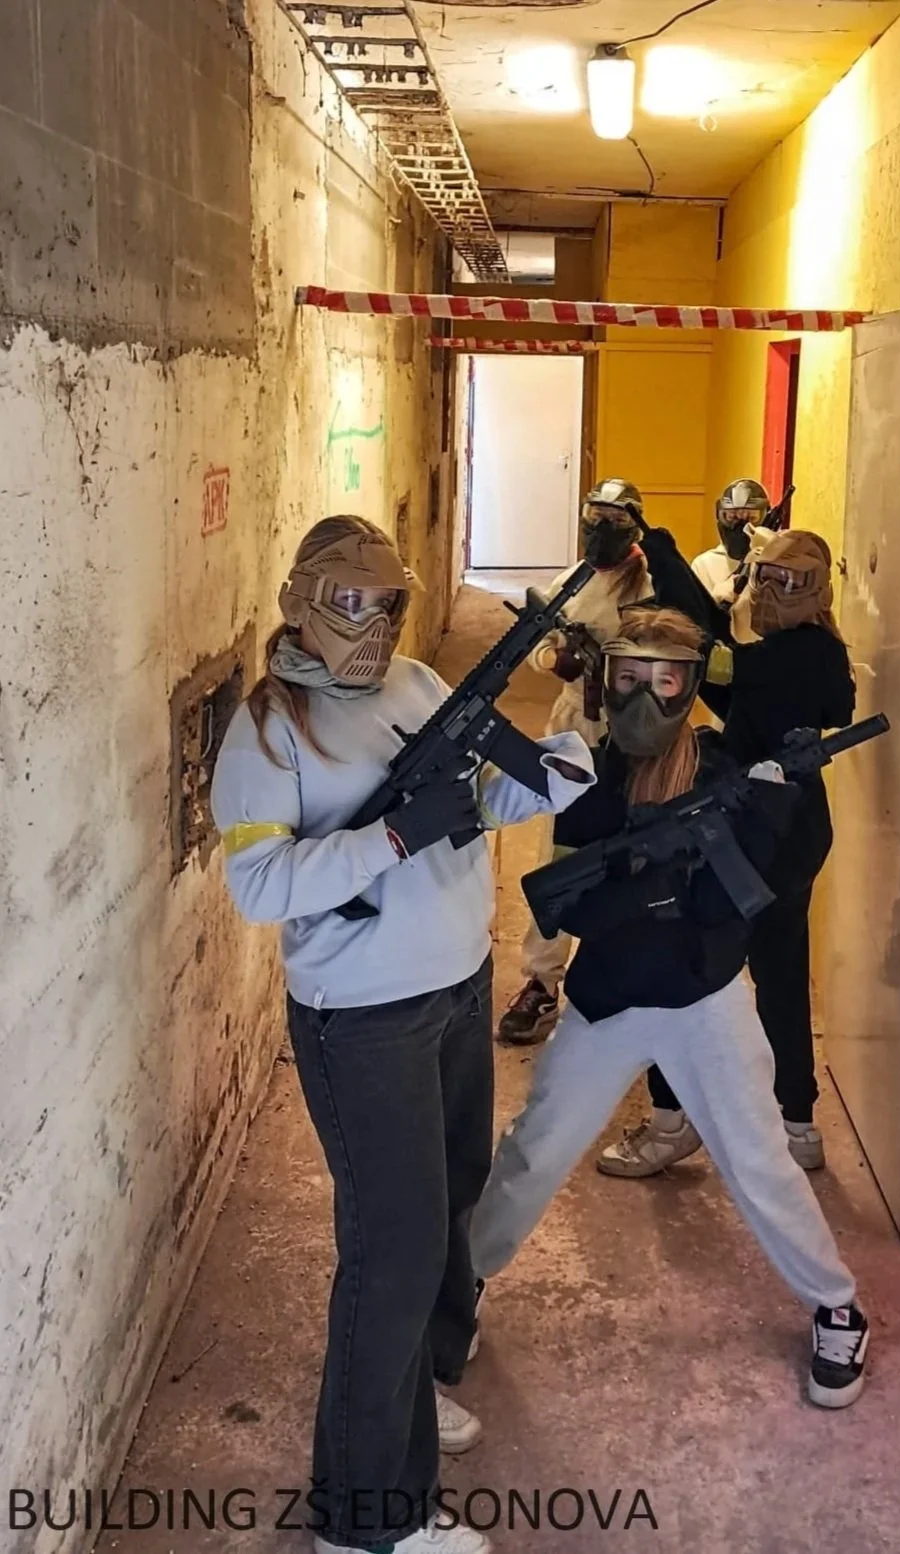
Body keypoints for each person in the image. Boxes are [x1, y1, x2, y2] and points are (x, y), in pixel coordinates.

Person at [210, 515, 594, 1554]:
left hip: (457, 989)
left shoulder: (420, 686)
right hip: (364, 1019)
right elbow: (258, 886)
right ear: (300, 603)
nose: (371, 624)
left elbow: (482, 800)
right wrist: (386, 836)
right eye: (349, 601)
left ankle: (412, 1389)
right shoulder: (268, 733)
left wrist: (554, 769)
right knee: (393, 1251)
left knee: (454, 1193)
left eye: (387, 603)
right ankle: (365, 1518)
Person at [472, 606, 870, 1410]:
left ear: (690, 687)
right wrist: (651, 887)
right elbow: (573, 905)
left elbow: (739, 907)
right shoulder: (585, 775)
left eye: (666, 679)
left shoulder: (726, 771)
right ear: (606, 679)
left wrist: (772, 807)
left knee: (757, 1159)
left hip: (704, 995)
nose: (645, 695)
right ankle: (462, 1282)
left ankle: (836, 1305)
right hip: (608, 999)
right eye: (628, 676)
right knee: (533, 1151)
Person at [599, 528, 854, 1178]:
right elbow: (736, 691)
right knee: (781, 973)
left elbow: (713, 658)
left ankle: (671, 1122)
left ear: (814, 591)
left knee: (678, 963)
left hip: (757, 830)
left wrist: (663, 560)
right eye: (763, 576)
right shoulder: (819, 654)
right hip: (794, 827)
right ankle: (796, 1125)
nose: (766, 591)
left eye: (783, 581)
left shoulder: (788, 655)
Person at [497, 476, 723, 1045]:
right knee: (561, 853)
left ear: (634, 526)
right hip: (576, 726)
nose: (601, 530)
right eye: (593, 518)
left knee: (643, 850)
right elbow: (539, 643)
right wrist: (559, 661)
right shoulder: (570, 581)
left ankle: (637, 967)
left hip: (640, 734)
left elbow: (685, 641)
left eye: (614, 521)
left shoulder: (651, 584)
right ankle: (542, 980)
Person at [691, 478, 773, 602]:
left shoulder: (776, 563)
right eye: (732, 516)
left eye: (751, 517)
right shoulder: (704, 565)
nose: (741, 525)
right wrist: (715, 599)